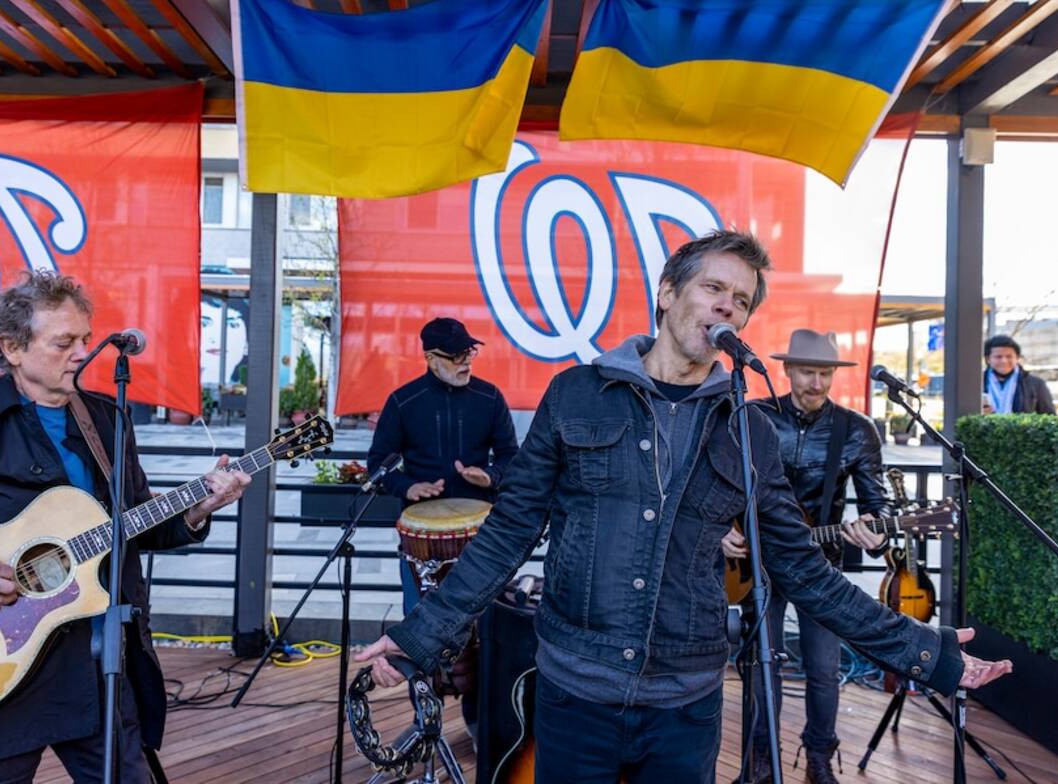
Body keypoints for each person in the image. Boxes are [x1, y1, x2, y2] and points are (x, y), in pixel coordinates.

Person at [357, 230, 1012, 784]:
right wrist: (419, 639)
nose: (728, 307)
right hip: (574, 691)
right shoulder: (576, 395)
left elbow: (805, 571)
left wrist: (923, 651)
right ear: (667, 294)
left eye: (742, 301)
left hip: (685, 705)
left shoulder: (749, 430)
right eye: (713, 289)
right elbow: (505, 536)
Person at [0, 271, 250, 783]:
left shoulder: (106, 421)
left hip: (94, 669)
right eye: (64, 342)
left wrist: (197, 508)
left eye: (84, 338)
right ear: (12, 347)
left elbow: (130, 526)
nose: (82, 353)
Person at [722, 328, 891, 783]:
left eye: (825, 374)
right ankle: (760, 759)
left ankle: (819, 757)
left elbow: (881, 508)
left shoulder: (855, 431)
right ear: (788, 370)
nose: (816, 383)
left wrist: (873, 531)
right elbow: (711, 484)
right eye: (807, 372)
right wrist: (721, 530)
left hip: (820, 562)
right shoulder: (751, 417)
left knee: (823, 668)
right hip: (754, 562)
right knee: (762, 663)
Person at [366, 316, 519, 615]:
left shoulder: (490, 397)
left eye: (469, 352)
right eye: (456, 356)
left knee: (483, 619)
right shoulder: (403, 402)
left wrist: (490, 476)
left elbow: (510, 455)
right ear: (430, 358)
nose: (466, 362)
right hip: (421, 538)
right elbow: (376, 464)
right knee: (419, 616)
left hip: (481, 529)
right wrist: (407, 487)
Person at [982, 334, 1055, 414]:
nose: (1004, 361)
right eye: (998, 357)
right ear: (988, 359)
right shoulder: (977, 384)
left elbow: (1050, 417)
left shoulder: (1036, 384)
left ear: (1017, 358)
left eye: (1009, 356)